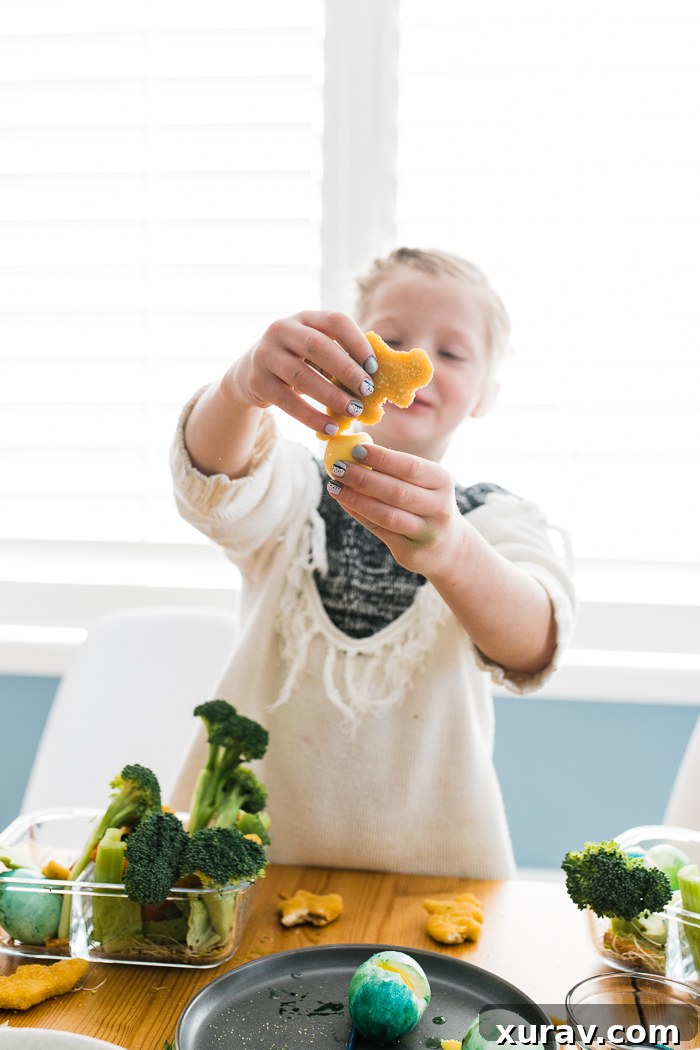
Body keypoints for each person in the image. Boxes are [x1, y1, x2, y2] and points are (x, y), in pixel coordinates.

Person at [169, 247, 575, 878]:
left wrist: (454, 551)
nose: (420, 363)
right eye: (391, 339)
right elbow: (214, 485)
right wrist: (240, 388)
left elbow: (534, 641)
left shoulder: (492, 520)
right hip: (249, 873)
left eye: (454, 351)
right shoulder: (295, 490)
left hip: (437, 878)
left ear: (485, 393)